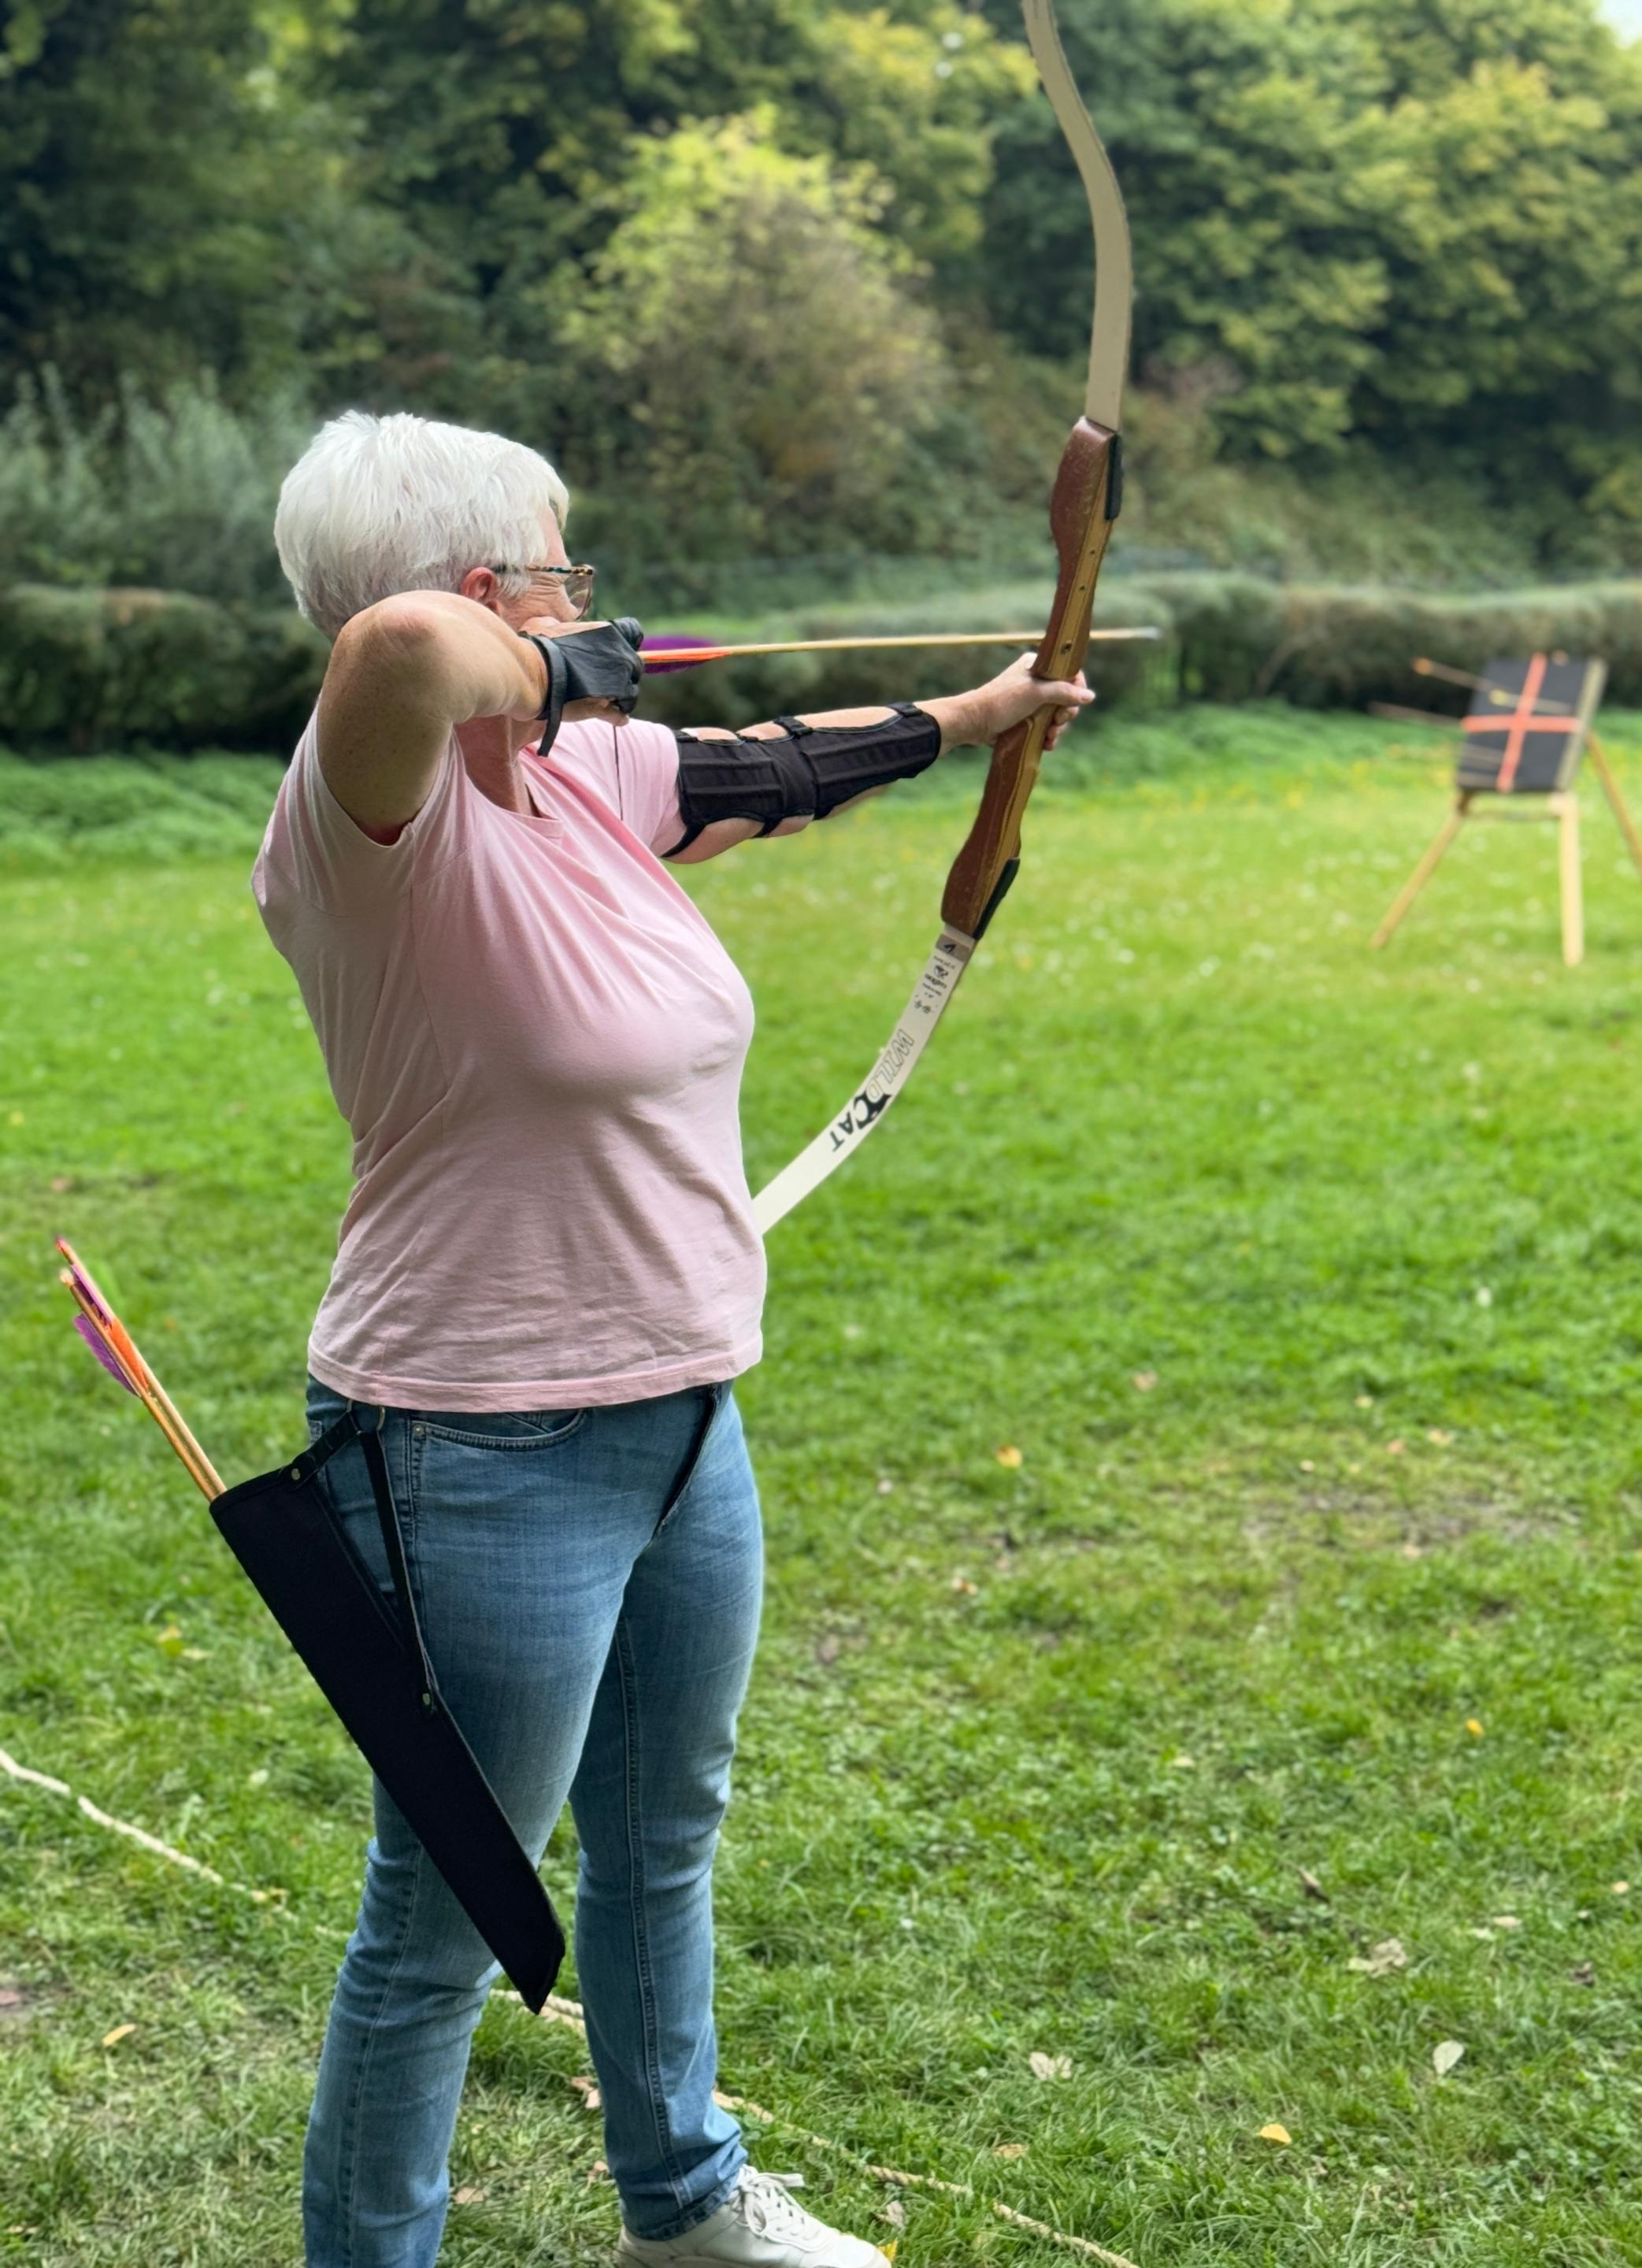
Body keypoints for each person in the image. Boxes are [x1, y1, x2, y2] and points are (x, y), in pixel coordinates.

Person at [256, 409, 1092, 2268]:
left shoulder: (580, 784)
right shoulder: (365, 817)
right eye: (562, 568)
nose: (589, 601)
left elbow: (765, 766)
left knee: (659, 1842)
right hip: (467, 1440)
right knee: (442, 1921)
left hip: (683, 1415)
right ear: (490, 591)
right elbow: (397, 655)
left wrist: (981, 719)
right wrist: (541, 661)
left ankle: (686, 2199)